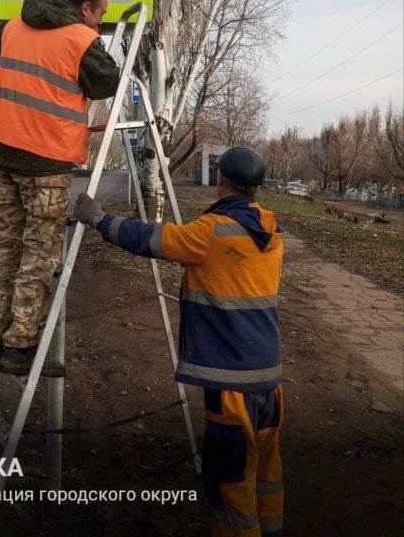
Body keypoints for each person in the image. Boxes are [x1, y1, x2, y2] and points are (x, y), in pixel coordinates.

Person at [74, 147, 284, 537]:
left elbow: (152, 238)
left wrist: (100, 219)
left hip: (231, 378)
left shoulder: (212, 233)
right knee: (266, 469)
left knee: (230, 481)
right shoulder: (271, 229)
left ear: (220, 179)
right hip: (268, 375)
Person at [0, 0, 120, 376]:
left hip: (1, 155)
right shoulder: (81, 39)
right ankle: (20, 345)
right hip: (45, 162)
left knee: (6, 247)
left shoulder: (14, 26)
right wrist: (95, 39)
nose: (101, 22)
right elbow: (107, 81)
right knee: (38, 253)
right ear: (86, 9)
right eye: (101, 14)